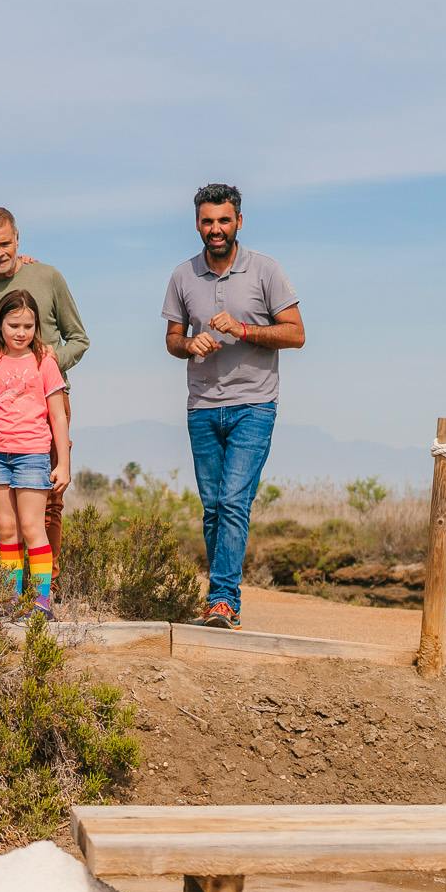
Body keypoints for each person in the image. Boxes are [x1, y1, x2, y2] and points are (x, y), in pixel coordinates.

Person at [161, 183, 304, 630]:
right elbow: (172, 340)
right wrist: (189, 344)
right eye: (208, 221)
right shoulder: (182, 275)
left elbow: (296, 333)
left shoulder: (265, 270)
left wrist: (243, 330)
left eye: (224, 220)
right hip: (202, 406)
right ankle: (221, 602)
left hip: (254, 404)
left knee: (233, 501)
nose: (216, 228)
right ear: (197, 224)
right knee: (213, 509)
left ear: (239, 221)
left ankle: (223, 600)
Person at [0, 207, 90, 566]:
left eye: (5, 243)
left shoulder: (47, 277)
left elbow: (78, 339)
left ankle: (45, 587)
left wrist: (49, 361)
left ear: (17, 239)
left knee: (48, 502)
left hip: (46, 402)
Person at [0, 289, 71, 614]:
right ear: (0, 325)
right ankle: (10, 601)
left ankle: (40, 602)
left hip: (33, 456)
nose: (21, 333)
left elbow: (58, 416)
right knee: (7, 530)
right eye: (14, 325)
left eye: (28, 326)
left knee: (33, 528)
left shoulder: (44, 363)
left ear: (36, 327)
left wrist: (63, 463)